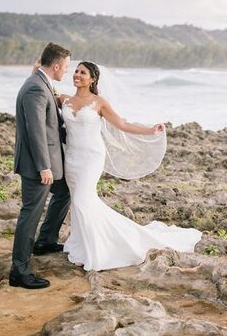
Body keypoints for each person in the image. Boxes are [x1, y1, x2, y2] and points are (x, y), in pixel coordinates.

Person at [60, 61, 202, 271]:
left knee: (83, 199)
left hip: (91, 157)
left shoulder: (99, 102)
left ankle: (100, 249)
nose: (77, 75)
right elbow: (42, 87)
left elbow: (122, 124)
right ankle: (82, 246)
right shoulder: (63, 99)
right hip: (71, 158)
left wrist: (150, 130)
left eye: (83, 72)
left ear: (92, 79)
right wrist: (37, 69)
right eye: (76, 71)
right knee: (79, 202)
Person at [10, 42, 72, 289]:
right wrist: (43, 167)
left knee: (65, 191)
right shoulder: (36, 88)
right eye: (66, 67)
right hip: (38, 165)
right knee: (30, 213)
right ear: (56, 66)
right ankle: (19, 270)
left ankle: (45, 240)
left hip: (51, 162)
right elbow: (35, 130)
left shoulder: (41, 82)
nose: (67, 71)